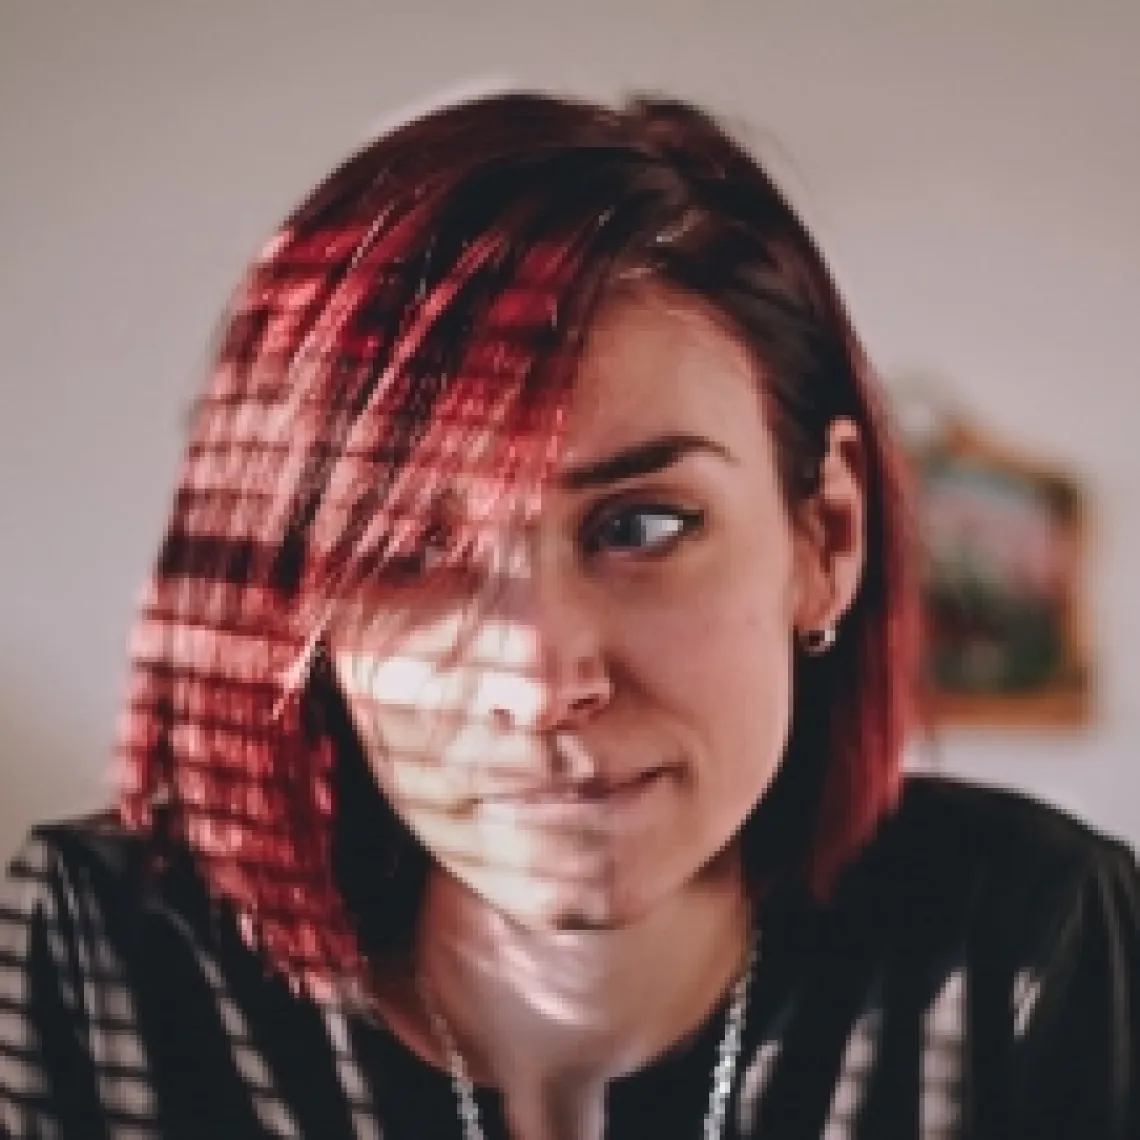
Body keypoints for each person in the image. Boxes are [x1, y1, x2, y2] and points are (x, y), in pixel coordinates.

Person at [1, 90, 1136, 1140]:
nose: (541, 681)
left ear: (824, 537)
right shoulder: (119, 965)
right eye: (407, 553)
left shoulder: (1028, 946)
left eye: (641, 526)